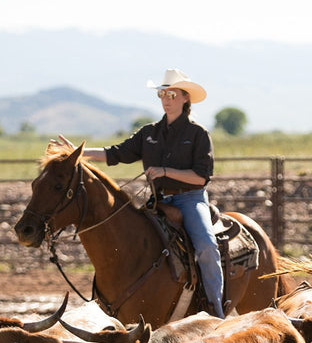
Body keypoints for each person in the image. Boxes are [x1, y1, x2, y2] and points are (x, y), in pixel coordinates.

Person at [59, 68, 225, 318]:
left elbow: (201, 177)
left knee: (206, 246)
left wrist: (165, 171)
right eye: (162, 94)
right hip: (158, 201)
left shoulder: (198, 134)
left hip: (190, 200)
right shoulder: (149, 133)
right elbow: (116, 153)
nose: (166, 99)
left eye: (172, 94)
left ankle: (215, 309)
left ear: (185, 98)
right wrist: (79, 153)